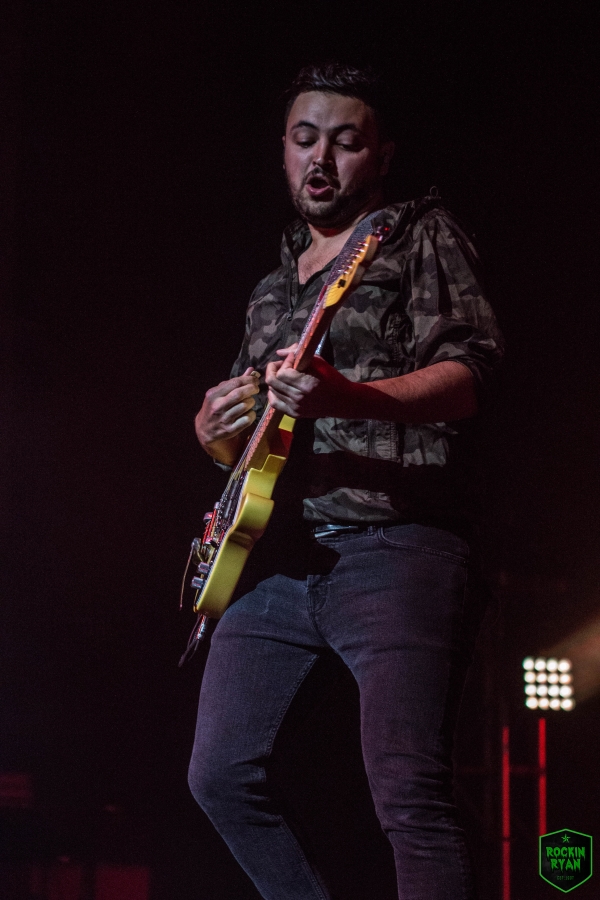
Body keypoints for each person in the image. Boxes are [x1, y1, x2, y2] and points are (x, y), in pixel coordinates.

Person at [188, 62, 504, 900]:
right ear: (283, 150)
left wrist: (352, 397)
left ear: (381, 155)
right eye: (304, 139)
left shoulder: (416, 237)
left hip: (400, 546)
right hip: (283, 555)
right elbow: (254, 439)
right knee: (219, 774)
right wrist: (214, 436)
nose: (320, 158)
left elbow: (471, 374)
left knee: (409, 793)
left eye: (345, 141)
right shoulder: (270, 290)